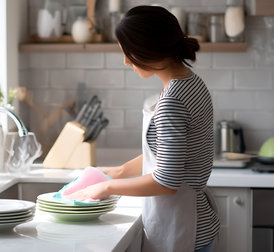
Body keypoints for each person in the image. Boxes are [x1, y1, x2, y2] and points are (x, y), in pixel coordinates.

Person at [66, 5, 220, 252]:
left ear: (150, 49)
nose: (126, 61)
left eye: (129, 53)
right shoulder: (191, 82)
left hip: (182, 229)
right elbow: (168, 154)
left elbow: (166, 182)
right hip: (197, 222)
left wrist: (107, 186)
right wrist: (119, 171)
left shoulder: (173, 101)